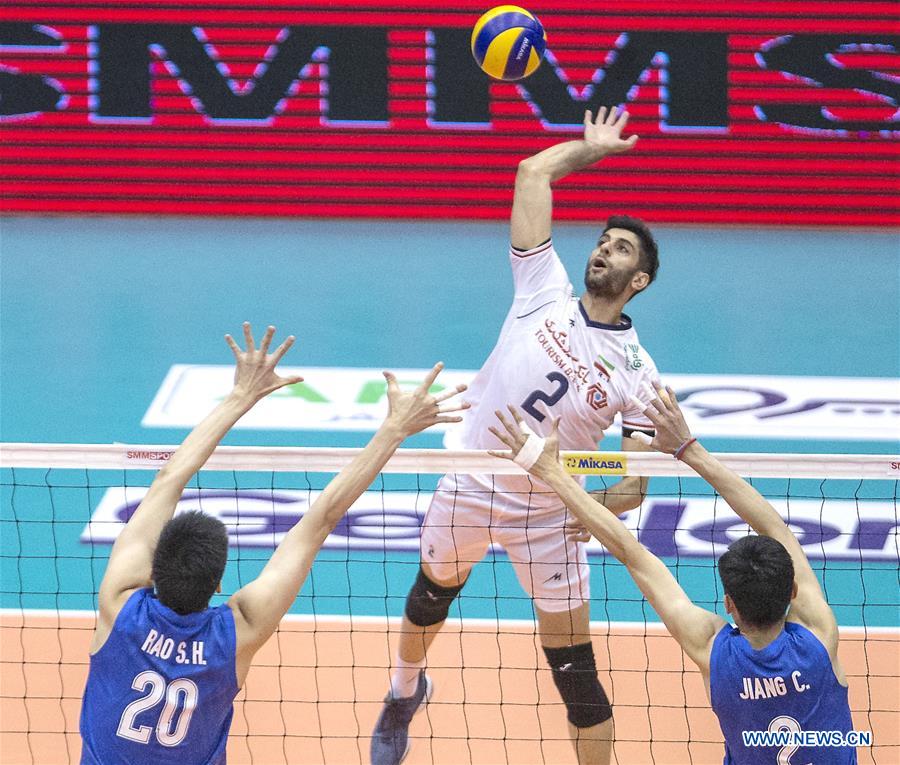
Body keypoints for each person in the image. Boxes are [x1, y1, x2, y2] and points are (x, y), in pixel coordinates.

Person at [371, 107, 661, 765]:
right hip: (470, 481)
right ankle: (403, 691)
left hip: (550, 517)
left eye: (620, 248)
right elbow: (532, 172)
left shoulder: (637, 371)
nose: (603, 249)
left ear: (637, 280)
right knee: (427, 598)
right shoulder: (542, 289)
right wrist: (591, 151)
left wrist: (599, 500)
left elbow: (634, 479)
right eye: (603, 239)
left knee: (577, 677)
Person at [79, 323, 467, 765]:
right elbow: (319, 521)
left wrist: (238, 397)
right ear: (220, 581)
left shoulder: (120, 605)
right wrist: (393, 431)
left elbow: (168, 479)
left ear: (154, 566)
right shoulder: (237, 632)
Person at [488, 389, 858, 764]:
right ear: (793, 591)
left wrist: (553, 473)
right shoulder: (817, 636)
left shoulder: (713, 651)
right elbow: (774, 526)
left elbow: (635, 557)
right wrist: (688, 449)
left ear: (729, 603)